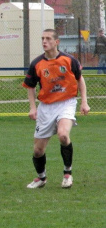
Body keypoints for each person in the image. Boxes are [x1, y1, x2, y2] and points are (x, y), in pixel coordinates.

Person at [24, 29, 90, 190]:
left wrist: (84, 102)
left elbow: (80, 80)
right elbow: (30, 87)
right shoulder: (37, 63)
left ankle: (67, 174)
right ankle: (41, 178)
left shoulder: (69, 60)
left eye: (48, 38)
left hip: (66, 103)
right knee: (38, 150)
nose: (44, 41)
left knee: (63, 135)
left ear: (56, 42)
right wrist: (33, 107)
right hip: (46, 107)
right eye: (42, 38)